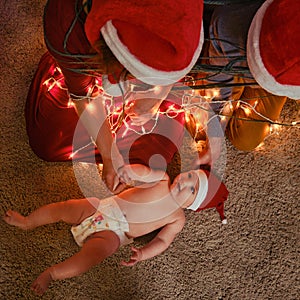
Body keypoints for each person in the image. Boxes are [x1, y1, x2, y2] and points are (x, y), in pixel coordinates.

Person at [25, 0, 204, 192]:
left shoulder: (185, 15)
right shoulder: (67, 30)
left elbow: (179, 59)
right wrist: (110, 155)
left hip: (141, 70)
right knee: (48, 141)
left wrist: (155, 99)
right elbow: (83, 97)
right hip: (91, 72)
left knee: (158, 151)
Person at [4, 164, 228, 295]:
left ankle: (52, 273)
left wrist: (143, 253)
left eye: (192, 190)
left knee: (94, 255)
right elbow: (144, 172)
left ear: (193, 205)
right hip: (104, 207)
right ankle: (28, 221)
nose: (185, 182)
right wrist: (130, 171)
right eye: (190, 176)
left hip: (116, 234)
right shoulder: (162, 179)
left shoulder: (177, 218)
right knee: (66, 207)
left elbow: (163, 242)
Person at [192, 0, 300, 166]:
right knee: (199, 126)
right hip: (233, 60)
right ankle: (238, 84)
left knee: (246, 140)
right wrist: (215, 134)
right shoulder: (228, 26)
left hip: (276, 85)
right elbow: (217, 81)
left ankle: (244, 89)